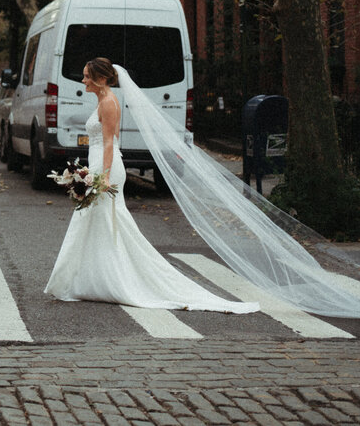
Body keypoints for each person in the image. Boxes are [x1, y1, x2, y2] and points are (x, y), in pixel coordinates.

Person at [44, 57, 257, 313]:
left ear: (101, 79)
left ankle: (111, 280)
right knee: (98, 223)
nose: (83, 81)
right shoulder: (102, 100)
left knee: (108, 221)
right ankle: (92, 279)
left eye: (87, 76)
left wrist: (104, 176)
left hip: (107, 168)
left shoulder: (109, 102)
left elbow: (111, 142)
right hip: (99, 164)